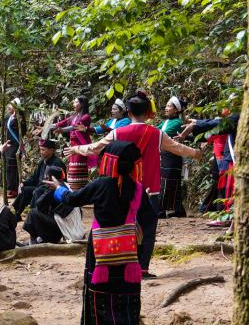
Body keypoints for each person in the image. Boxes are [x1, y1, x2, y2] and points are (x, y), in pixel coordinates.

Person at [68, 91, 201, 276]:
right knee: (147, 229)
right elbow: (178, 148)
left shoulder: (118, 132)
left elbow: (95, 148)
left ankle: (123, 264)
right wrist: (196, 153)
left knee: (123, 226)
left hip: (123, 189)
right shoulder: (158, 134)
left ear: (128, 112)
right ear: (147, 112)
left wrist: (76, 148)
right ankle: (143, 268)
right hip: (150, 191)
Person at [50, 142, 153, 325]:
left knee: (101, 295)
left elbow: (72, 199)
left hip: (101, 250)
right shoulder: (137, 189)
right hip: (129, 253)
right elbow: (148, 217)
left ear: (110, 162)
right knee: (127, 297)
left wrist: (58, 189)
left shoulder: (101, 185)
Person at [180, 110, 238, 214]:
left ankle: (220, 211)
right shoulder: (223, 122)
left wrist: (197, 124)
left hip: (225, 157)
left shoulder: (229, 122)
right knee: (220, 183)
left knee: (223, 184)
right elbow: (209, 137)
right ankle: (219, 210)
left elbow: (212, 135)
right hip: (221, 156)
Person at [20, 165, 82, 244]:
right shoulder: (66, 185)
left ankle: (34, 241)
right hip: (71, 227)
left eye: (46, 177)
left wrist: (49, 190)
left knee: (33, 213)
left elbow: (39, 205)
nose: (44, 179)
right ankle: (40, 238)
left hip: (63, 230)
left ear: (51, 179)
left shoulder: (54, 189)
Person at [53, 95, 97, 190]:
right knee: (72, 172)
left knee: (77, 173)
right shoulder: (74, 116)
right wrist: (47, 127)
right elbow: (61, 123)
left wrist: (62, 130)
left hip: (80, 147)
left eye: (76, 102)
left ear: (82, 104)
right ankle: (75, 195)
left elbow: (74, 127)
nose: (73, 104)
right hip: (72, 146)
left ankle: (79, 194)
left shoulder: (86, 117)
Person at [13, 138, 66, 217]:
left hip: (50, 189)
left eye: (43, 150)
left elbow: (59, 182)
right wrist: (23, 183)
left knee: (37, 191)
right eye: (40, 150)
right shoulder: (42, 161)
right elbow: (34, 177)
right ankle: (16, 213)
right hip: (39, 187)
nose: (41, 152)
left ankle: (35, 215)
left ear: (51, 150)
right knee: (24, 190)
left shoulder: (57, 163)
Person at [158, 95, 188, 218]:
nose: (166, 108)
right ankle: (179, 209)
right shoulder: (166, 122)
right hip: (166, 155)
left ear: (176, 110)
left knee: (169, 181)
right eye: (166, 105)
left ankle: (161, 210)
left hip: (173, 156)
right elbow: (156, 130)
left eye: (169, 106)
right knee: (170, 181)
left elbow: (160, 133)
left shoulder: (177, 122)